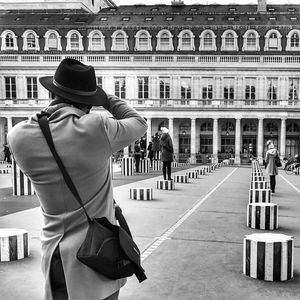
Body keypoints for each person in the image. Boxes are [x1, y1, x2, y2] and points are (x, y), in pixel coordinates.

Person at [7, 58, 147, 300]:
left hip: (55, 258)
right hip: (98, 256)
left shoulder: (18, 135)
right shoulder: (97, 127)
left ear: (53, 92)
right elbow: (139, 123)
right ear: (89, 104)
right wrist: (106, 98)